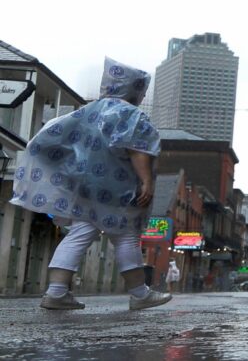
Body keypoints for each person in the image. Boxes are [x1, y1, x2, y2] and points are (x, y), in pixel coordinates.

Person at [10, 58, 172, 310]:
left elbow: (53, 134)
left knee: (79, 233)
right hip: (119, 189)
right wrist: (146, 180)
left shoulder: (89, 111)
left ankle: (56, 291)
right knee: (126, 235)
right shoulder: (131, 115)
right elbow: (137, 149)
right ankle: (140, 293)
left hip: (86, 188)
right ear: (136, 88)